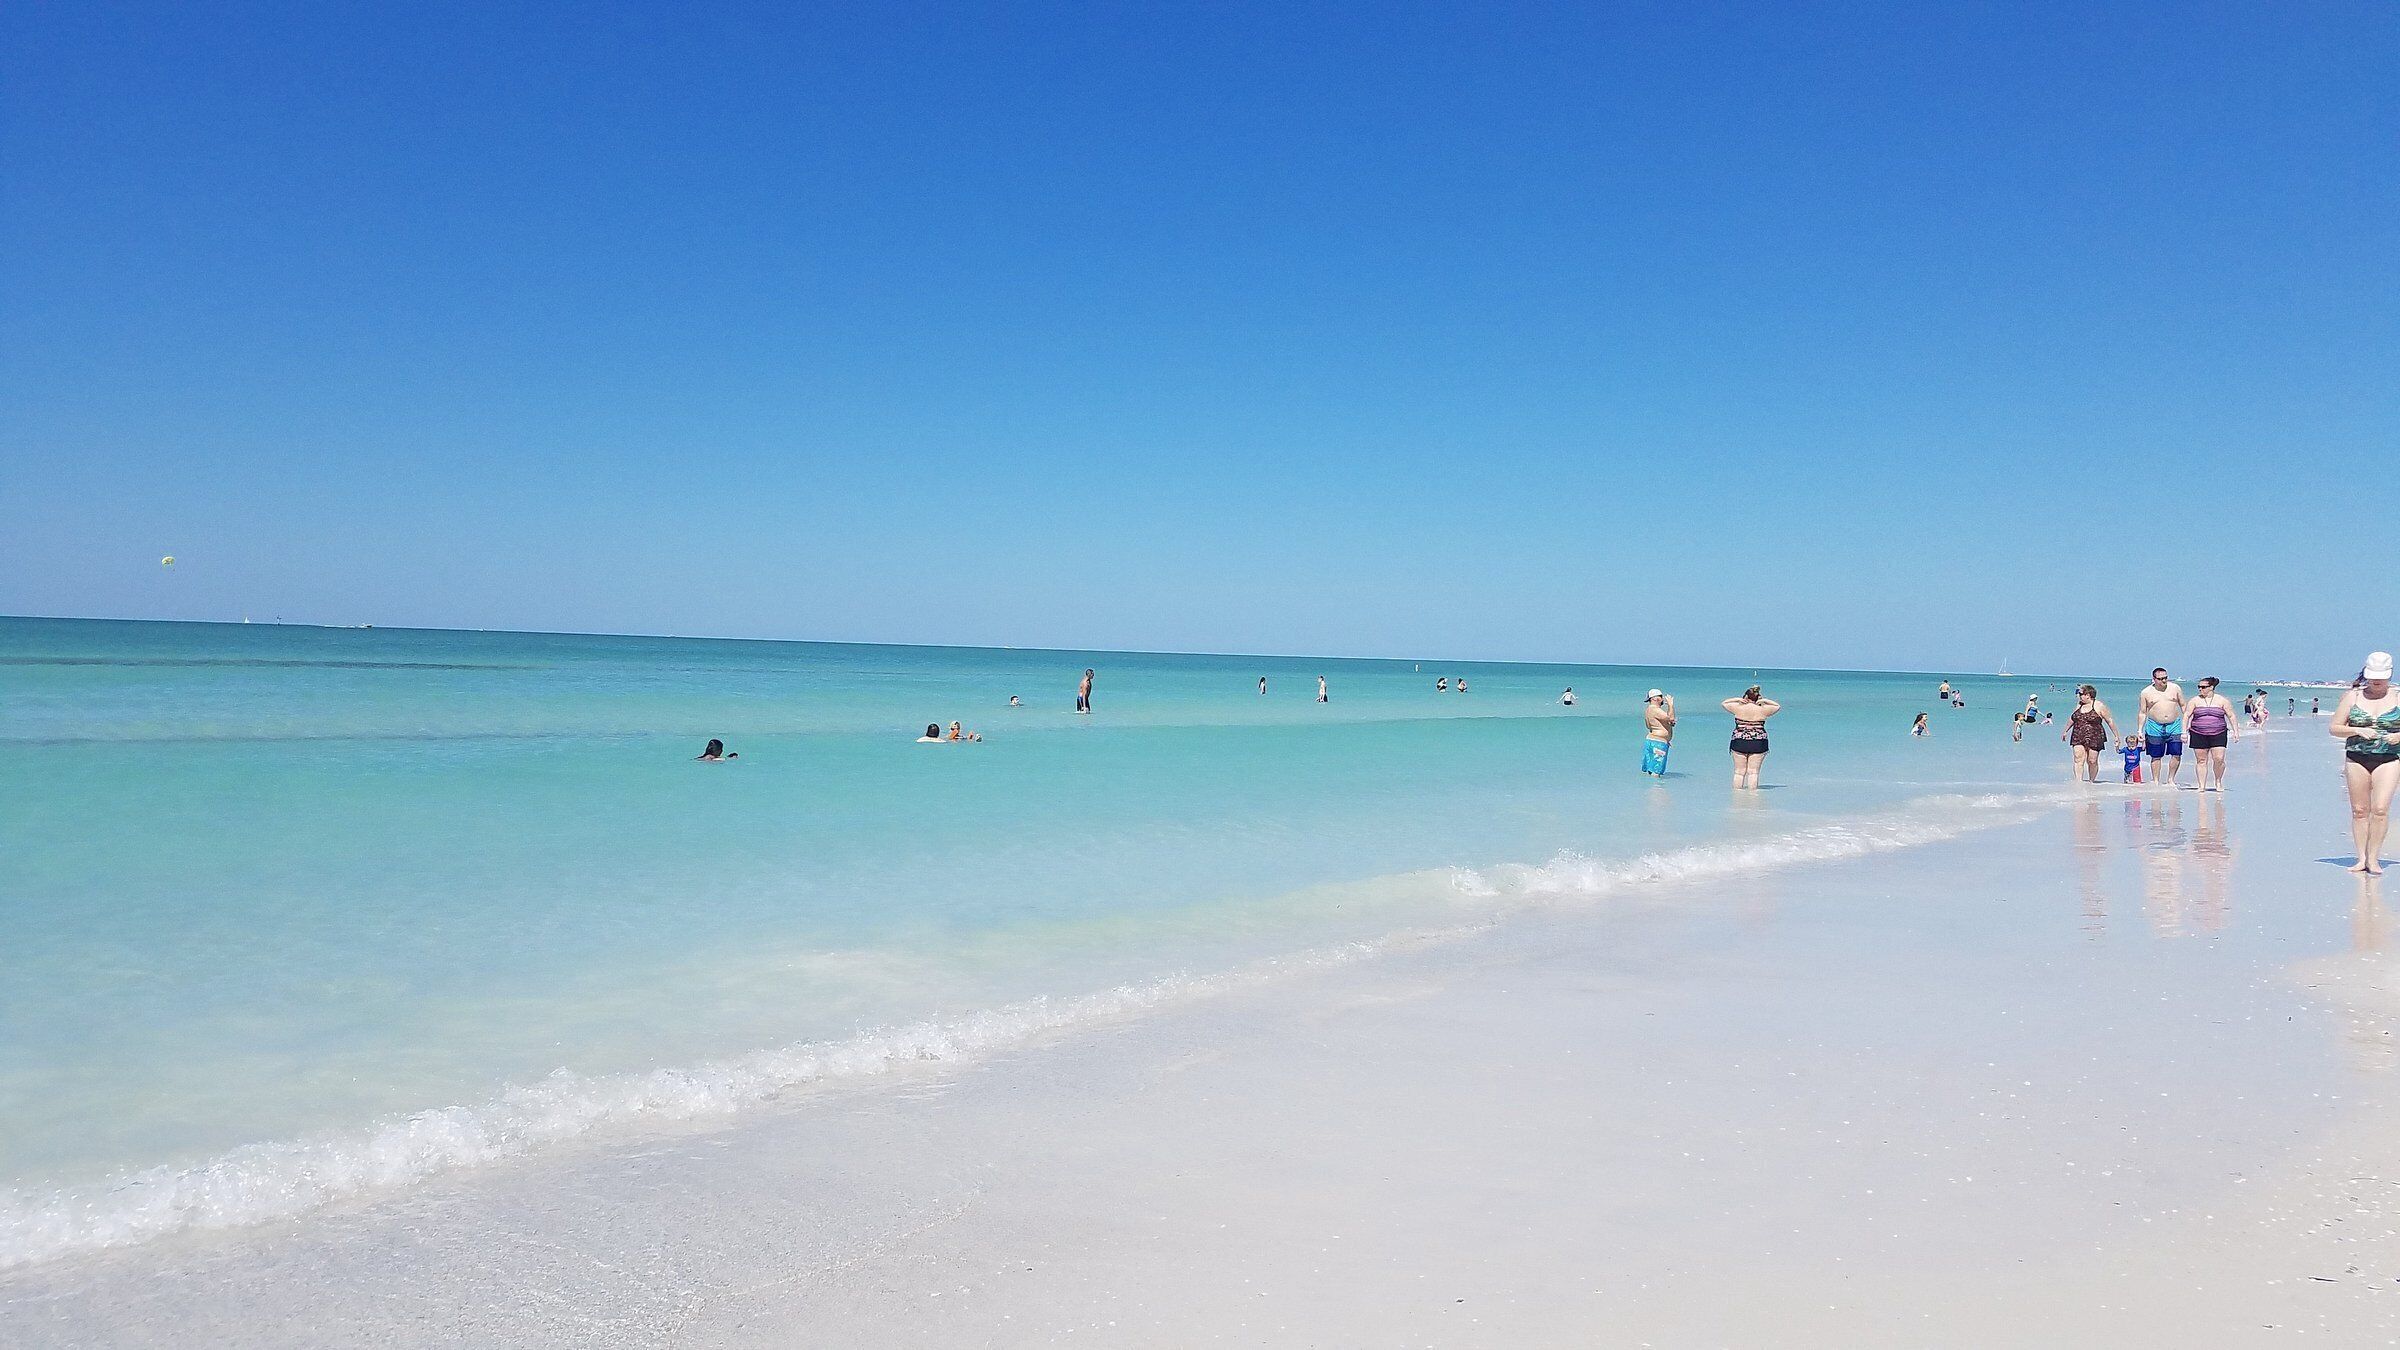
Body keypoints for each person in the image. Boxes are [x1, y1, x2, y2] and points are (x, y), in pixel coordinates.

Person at [2332, 653, 2400, 874]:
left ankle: (2374, 858)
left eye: (2381, 676)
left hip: (2388, 758)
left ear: (2389, 674)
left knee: (2380, 809)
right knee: (2360, 810)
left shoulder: (2398, 697)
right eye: (2372, 676)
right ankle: (2361, 858)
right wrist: (2356, 730)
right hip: (2356, 758)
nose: (2376, 681)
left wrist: (2398, 736)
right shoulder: (2352, 697)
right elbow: (2334, 728)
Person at [2136, 667, 2188, 787]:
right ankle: (2155, 780)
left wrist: (2187, 724)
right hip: (2154, 725)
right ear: (2154, 679)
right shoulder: (2146, 692)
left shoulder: (2175, 688)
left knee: (2176, 753)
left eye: (2165, 678)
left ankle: (2171, 779)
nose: (2164, 681)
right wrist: (2139, 730)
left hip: (2174, 725)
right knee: (2156, 755)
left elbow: (2183, 706)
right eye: (2160, 679)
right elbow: (2142, 712)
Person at [1721, 685, 1780, 788]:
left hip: (1739, 742)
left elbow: (1724, 703)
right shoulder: (1763, 710)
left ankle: (1737, 795)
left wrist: (1738, 699)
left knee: (1739, 772)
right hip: (1758, 743)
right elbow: (1777, 706)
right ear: (1758, 697)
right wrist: (1764, 701)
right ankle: (1753, 796)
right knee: (1754, 772)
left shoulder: (1738, 708)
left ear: (1746, 697)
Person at [2185, 677, 2235, 790]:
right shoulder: (2194, 701)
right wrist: (2184, 732)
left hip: (2219, 733)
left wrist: (2236, 731)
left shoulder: (2222, 700)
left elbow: (2231, 715)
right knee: (2201, 760)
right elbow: (2187, 715)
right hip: (2198, 733)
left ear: (2211, 687)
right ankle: (2201, 786)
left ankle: (2218, 780)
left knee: (2219, 759)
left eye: (2203, 687)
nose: (2200, 689)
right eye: (2199, 687)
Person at [2062, 685, 2117, 783]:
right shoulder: (2079, 705)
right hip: (2078, 734)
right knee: (2078, 758)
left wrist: (2116, 736)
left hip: (2095, 736)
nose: (2078, 696)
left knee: (2092, 761)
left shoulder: (2099, 705)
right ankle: (2078, 782)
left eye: (2080, 694)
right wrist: (2065, 731)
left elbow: (2110, 721)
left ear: (2088, 695)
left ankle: (2091, 782)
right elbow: (2072, 718)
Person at [1642, 690, 1676, 776]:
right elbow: (1671, 718)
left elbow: (1649, 726)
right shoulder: (1655, 709)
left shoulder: (1648, 710)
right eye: (1661, 697)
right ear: (1655, 698)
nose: (1663, 699)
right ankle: (1657, 785)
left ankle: (1651, 784)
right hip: (1658, 743)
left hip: (1651, 741)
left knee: (1651, 770)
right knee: (1656, 771)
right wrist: (1670, 705)